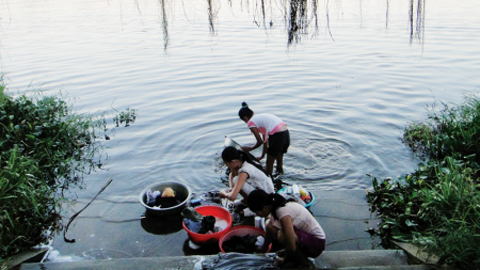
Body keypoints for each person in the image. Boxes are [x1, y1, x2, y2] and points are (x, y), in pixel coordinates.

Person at [247, 189, 326, 268]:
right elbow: (270, 230)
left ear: (265, 208)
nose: (258, 215)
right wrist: (262, 252)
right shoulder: (276, 207)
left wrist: (284, 261)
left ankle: (304, 263)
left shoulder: (282, 211)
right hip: (306, 237)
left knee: (282, 235)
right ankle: (293, 255)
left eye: (257, 212)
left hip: (317, 243)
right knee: (270, 226)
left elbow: (291, 244)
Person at [238, 102, 290, 177]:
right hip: (285, 133)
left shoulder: (251, 123)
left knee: (269, 161)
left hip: (277, 135)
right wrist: (262, 155)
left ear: (245, 118)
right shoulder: (260, 119)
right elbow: (265, 141)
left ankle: (269, 179)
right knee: (279, 157)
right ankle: (280, 174)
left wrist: (250, 148)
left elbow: (259, 142)